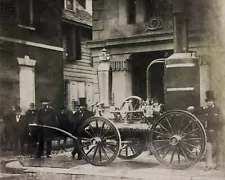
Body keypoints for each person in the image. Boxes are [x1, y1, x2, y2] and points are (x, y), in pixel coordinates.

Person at [187, 91, 223, 171]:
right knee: (208, 149)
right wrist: (192, 108)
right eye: (208, 101)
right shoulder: (205, 109)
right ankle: (208, 165)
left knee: (218, 149)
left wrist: (220, 130)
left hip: (217, 132)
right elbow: (197, 110)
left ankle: (218, 165)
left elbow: (222, 120)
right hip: (208, 132)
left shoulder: (218, 109)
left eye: (210, 101)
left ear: (213, 101)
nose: (209, 103)